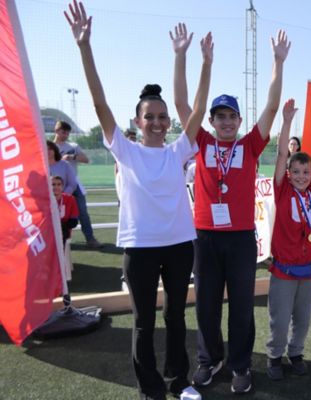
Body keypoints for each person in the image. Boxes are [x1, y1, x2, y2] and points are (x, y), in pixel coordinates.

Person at [65, 2, 212, 398]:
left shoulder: (178, 150)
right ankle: (151, 390)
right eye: (151, 116)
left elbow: (198, 109)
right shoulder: (124, 149)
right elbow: (99, 104)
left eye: (163, 116)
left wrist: (199, 61)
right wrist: (84, 47)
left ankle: (179, 381)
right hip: (140, 249)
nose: (159, 122)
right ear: (137, 121)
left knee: (177, 316)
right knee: (144, 322)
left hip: (181, 246)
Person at [173, 24, 290, 393]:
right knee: (207, 306)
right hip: (204, 238)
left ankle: (241, 365)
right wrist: (193, 59)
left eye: (231, 116)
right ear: (210, 122)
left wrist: (277, 62)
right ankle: (210, 360)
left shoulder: (251, 145)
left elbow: (271, 106)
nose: (225, 122)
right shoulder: (202, 142)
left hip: (240, 239)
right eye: (219, 116)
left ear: (239, 121)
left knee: (241, 307)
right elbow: (182, 105)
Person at [265, 99, 311, 380]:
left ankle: (296, 353)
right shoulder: (282, 191)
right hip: (284, 270)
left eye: (307, 172)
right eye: (296, 172)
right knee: (279, 320)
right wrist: (286, 121)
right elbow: (281, 155)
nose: (302, 177)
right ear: (288, 175)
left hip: (309, 270)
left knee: (302, 319)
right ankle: (274, 356)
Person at [53, 120, 102, 248]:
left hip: (74, 185)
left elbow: (86, 159)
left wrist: (72, 157)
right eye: (63, 132)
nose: (65, 135)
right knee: (54, 213)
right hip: (56, 186)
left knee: (82, 213)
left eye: (67, 133)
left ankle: (90, 239)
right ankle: (56, 240)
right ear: (56, 131)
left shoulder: (73, 146)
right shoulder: (49, 147)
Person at [51, 175, 79, 246]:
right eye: (53, 184)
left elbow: (74, 222)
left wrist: (59, 226)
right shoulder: (45, 201)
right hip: (49, 232)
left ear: (62, 186)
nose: (56, 187)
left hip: (64, 233)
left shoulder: (70, 199)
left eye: (59, 184)